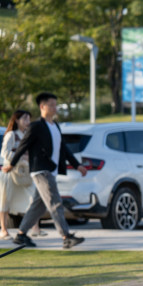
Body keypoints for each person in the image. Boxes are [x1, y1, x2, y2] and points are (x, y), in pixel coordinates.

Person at [2, 92, 88, 249]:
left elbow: (63, 148)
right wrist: (12, 164)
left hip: (51, 170)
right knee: (55, 203)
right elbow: (23, 146)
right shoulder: (36, 126)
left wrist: (77, 165)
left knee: (38, 206)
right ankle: (66, 236)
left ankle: (21, 235)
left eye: (56, 105)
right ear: (42, 106)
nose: (55, 108)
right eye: (52, 105)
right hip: (41, 170)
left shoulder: (55, 126)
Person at [1, 110, 44, 239]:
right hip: (10, 173)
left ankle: (35, 228)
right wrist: (22, 157)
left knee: (33, 199)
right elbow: (5, 153)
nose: (27, 122)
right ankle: (4, 230)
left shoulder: (27, 134)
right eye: (25, 119)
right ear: (17, 120)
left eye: (28, 119)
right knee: (5, 201)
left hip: (25, 173)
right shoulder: (11, 135)